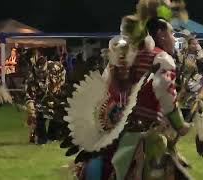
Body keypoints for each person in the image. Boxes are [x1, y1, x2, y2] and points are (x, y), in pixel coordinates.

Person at [61, 1, 195, 179]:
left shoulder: (121, 59)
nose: (173, 38)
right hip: (143, 138)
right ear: (160, 34)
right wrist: (180, 125)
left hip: (113, 135)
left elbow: (105, 88)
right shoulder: (162, 59)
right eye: (171, 33)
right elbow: (165, 94)